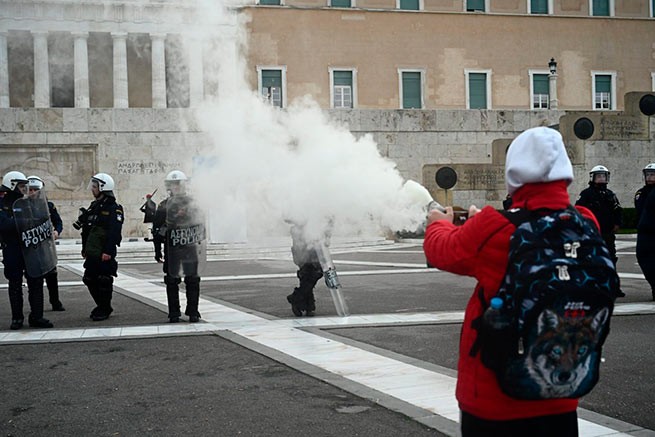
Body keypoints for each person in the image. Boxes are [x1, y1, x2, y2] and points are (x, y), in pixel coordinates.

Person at [423, 127, 600, 436]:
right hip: (561, 392)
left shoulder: (495, 228)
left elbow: (443, 251)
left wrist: (439, 223)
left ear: (515, 175)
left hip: (494, 398)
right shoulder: (586, 222)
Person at [0, 171, 53, 329]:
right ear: (12, 185)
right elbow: (4, 225)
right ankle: (17, 318)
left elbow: (41, 219)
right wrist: (22, 220)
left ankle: (37, 316)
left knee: (36, 282)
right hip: (13, 249)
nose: (24, 189)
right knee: (15, 284)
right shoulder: (2, 204)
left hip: (31, 248)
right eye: (21, 186)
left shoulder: (30, 202)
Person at [152, 170, 202, 323]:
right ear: (169, 187)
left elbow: (201, 226)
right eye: (174, 185)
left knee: (192, 279)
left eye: (179, 184)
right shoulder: (164, 206)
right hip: (171, 248)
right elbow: (156, 229)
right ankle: (174, 312)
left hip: (189, 247)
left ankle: (193, 311)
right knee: (171, 280)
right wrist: (157, 250)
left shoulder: (193, 204)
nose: (177, 187)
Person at [79, 173, 123, 321]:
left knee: (104, 279)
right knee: (89, 278)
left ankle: (104, 308)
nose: (92, 189)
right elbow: (87, 230)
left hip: (104, 251)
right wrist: (85, 248)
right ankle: (102, 305)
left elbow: (114, 232)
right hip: (92, 250)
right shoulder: (94, 206)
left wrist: (108, 251)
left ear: (103, 188)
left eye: (95, 186)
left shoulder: (114, 208)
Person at [575, 165, 624, 296]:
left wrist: (617, 224)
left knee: (611, 258)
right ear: (593, 178)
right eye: (599, 176)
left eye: (603, 176)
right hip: (592, 232)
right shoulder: (586, 194)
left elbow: (618, 210)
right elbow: (579, 210)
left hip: (607, 232)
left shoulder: (610, 194)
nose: (601, 179)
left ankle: (613, 286)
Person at [27, 175, 65, 311]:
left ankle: (55, 302)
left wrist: (56, 232)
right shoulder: (22, 205)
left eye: (34, 190)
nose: (31, 192)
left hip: (46, 246)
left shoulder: (48, 206)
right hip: (31, 246)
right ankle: (36, 307)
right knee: (33, 278)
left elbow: (58, 222)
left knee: (52, 275)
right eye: (29, 190)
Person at [286, 222, 324, 317]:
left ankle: (307, 304)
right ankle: (298, 299)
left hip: (311, 241)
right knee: (311, 272)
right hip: (303, 242)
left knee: (308, 275)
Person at [635, 163, 655, 301]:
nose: (650, 177)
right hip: (647, 232)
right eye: (648, 174)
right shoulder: (641, 193)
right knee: (647, 261)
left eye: (653, 174)